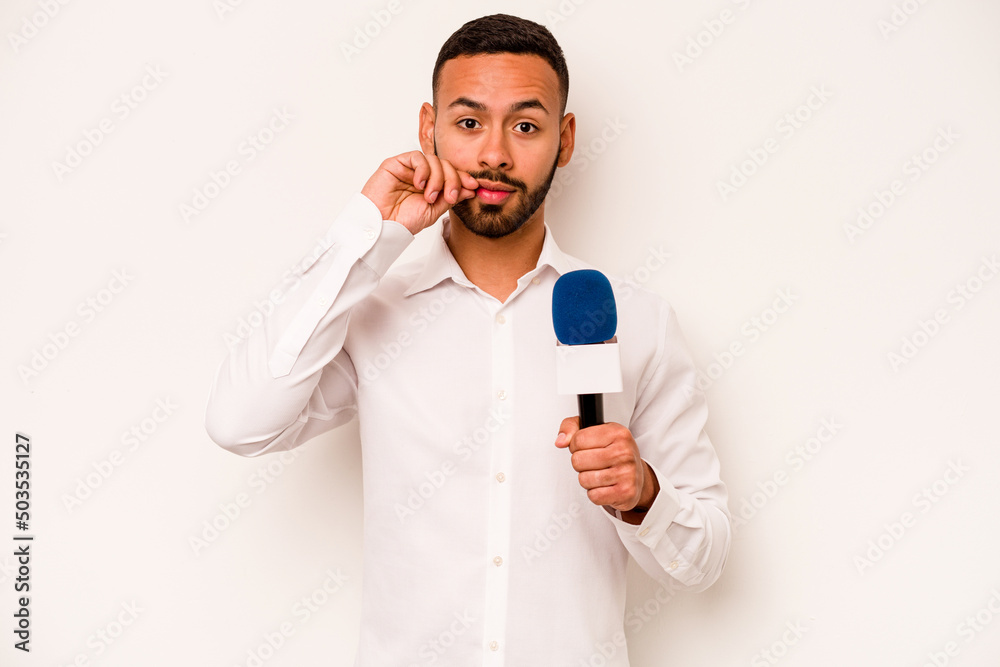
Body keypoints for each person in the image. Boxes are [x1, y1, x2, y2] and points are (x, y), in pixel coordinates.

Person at [205, 13, 731, 666]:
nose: (494, 155)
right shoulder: (371, 313)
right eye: (469, 122)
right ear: (430, 129)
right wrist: (370, 233)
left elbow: (703, 558)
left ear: (565, 139)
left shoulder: (637, 322)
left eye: (527, 125)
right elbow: (239, 422)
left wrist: (643, 494)